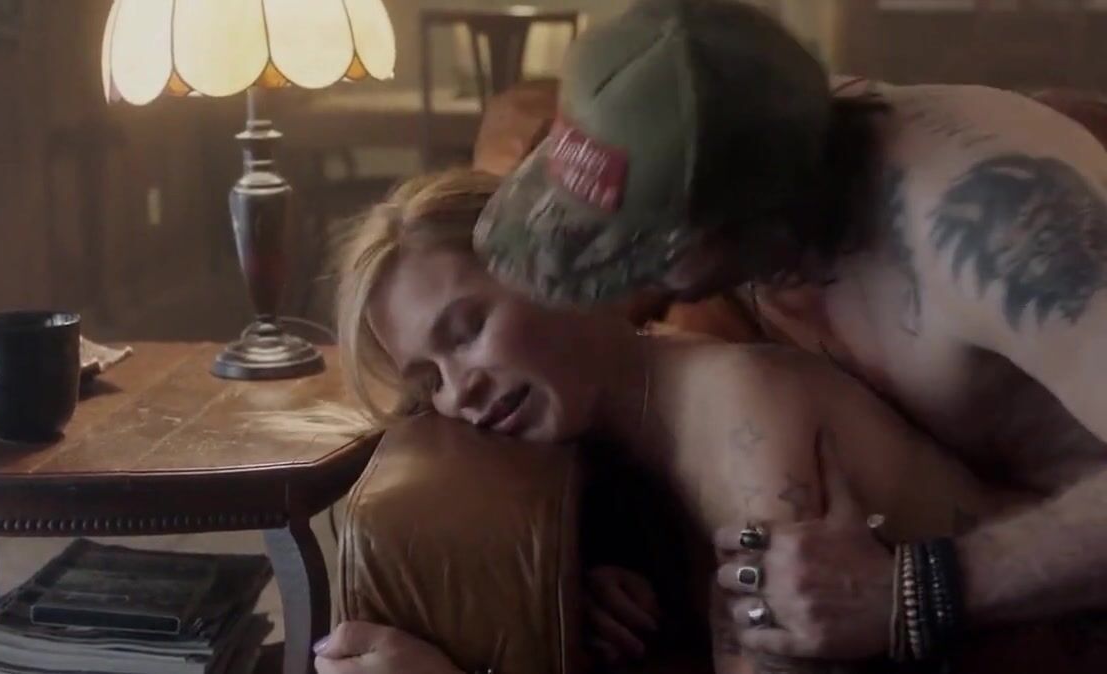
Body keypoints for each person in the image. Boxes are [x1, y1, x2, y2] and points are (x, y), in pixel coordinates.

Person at [472, 0, 1107, 666]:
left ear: (740, 220)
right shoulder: (731, 135)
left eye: (647, 251)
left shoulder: (992, 224)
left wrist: (913, 588)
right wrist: (588, 556)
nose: (634, 281)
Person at [311, 169, 1031, 674]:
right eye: (428, 379)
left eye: (468, 329)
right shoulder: (638, 427)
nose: (460, 389)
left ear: (555, 270)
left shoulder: (745, 424)